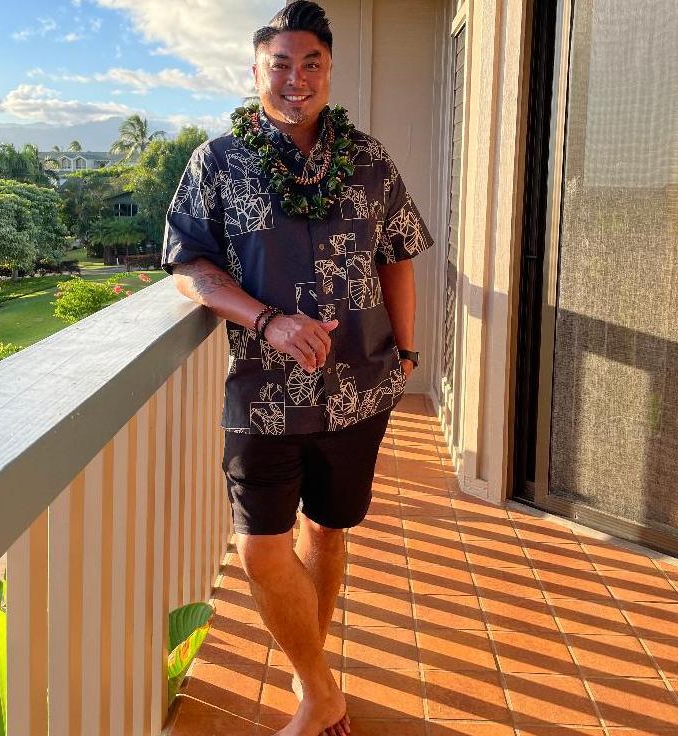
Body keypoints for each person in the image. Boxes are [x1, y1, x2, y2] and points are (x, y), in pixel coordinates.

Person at [162, 3, 434, 734]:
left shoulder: (369, 159)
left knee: (329, 530)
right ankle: (320, 685)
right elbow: (189, 267)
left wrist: (406, 353)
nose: (296, 78)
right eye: (280, 64)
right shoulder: (217, 163)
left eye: (311, 63)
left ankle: (312, 680)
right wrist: (267, 320)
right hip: (263, 395)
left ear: (329, 70)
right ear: (256, 71)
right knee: (260, 548)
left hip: (359, 389)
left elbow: (398, 255)